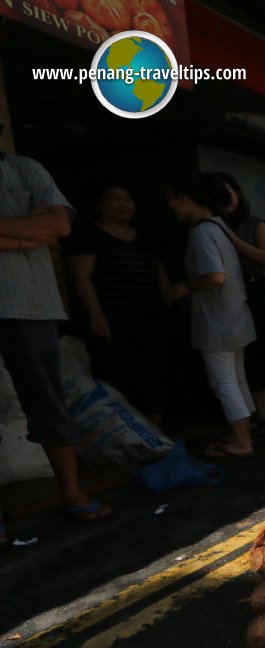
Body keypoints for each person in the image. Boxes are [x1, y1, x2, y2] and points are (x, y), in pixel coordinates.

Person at [0, 127, 110, 537]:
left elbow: (59, 226)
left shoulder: (24, 168)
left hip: (29, 304)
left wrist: (39, 229)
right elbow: (43, 230)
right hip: (27, 302)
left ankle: (72, 494)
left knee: (46, 400)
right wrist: (25, 233)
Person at [166, 172, 258, 457]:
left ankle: (242, 442)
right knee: (237, 379)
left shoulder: (201, 232)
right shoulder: (218, 227)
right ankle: (244, 434)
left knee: (225, 383)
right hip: (234, 318)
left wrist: (185, 286)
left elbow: (215, 276)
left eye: (171, 200)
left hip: (218, 322)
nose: (170, 207)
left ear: (184, 198)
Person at [65, 182, 170, 425]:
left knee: (153, 377)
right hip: (113, 320)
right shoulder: (90, 235)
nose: (123, 204)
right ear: (100, 206)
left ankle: (154, 432)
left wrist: (169, 309)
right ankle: (125, 432)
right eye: (115, 198)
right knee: (117, 378)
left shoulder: (145, 237)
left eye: (128, 199)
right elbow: (80, 277)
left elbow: (160, 274)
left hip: (151, 318)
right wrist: (96, 316)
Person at [212, 173, 265, 437]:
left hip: (261, 292)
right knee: (252, 356)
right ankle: (263, 415)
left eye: (231, 191)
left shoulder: (255, 223)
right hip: (234, 295)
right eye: (221, 193)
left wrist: (235, 242)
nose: (228, 197)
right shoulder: (213, 226)